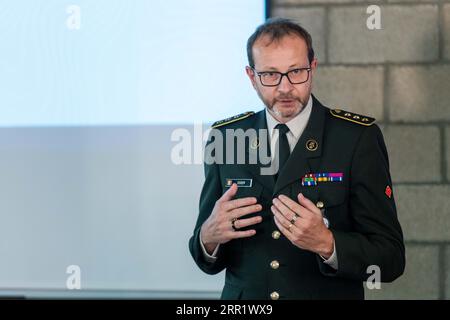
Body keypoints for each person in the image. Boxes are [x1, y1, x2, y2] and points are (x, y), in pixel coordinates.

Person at [188, 18, 405, 300]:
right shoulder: (225, 137)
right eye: (270, 74)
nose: (285, 88)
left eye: (296, 72)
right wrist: (208, 236)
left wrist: (328, 243)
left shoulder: (356, 138)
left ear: (312, 68)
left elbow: (390, 258)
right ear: (251, 77)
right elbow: (203, 254)